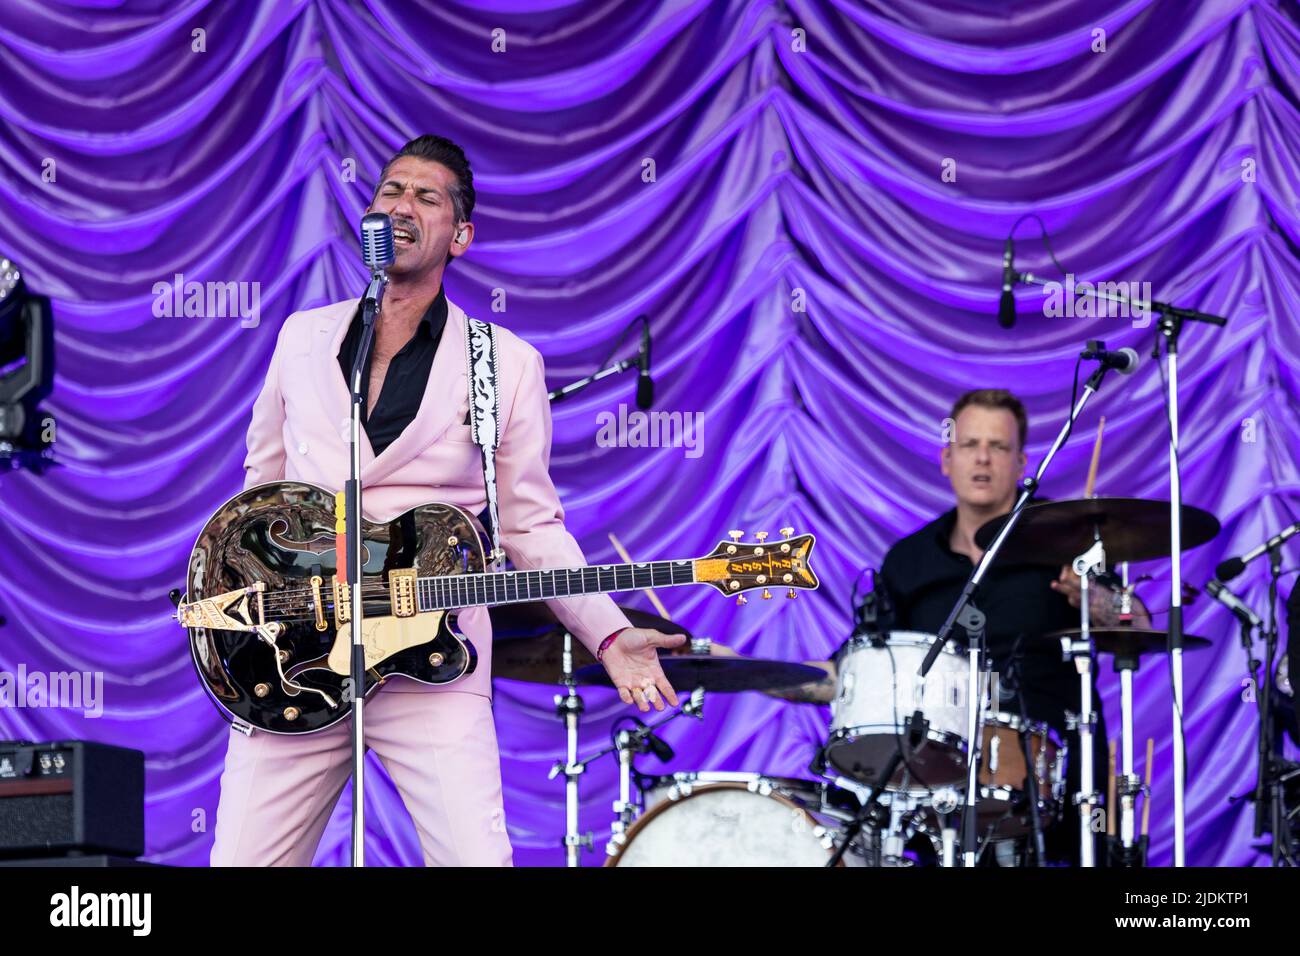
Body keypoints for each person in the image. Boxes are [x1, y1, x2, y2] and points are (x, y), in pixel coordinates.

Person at [210, 134, 683, 866]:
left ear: (459, 236)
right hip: (294, 659)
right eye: (390, 192)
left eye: (425, 198)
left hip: (431, 654)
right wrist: (246, 617)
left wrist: (612, 638)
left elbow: (532, 527)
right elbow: (255, 496)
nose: (402, 205)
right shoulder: (302, 339)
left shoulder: (507, 365)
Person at [721, 388, 1149, 864]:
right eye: (969, 445)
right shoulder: (909, 562)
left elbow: (1141, 626)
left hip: (1055, 780)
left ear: (1022, 461)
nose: (982, 459)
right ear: (947, 459)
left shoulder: (1063, 541)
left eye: (998, 446)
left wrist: (1098, 600)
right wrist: (743, 670)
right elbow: (848, 676)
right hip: (934, 784)